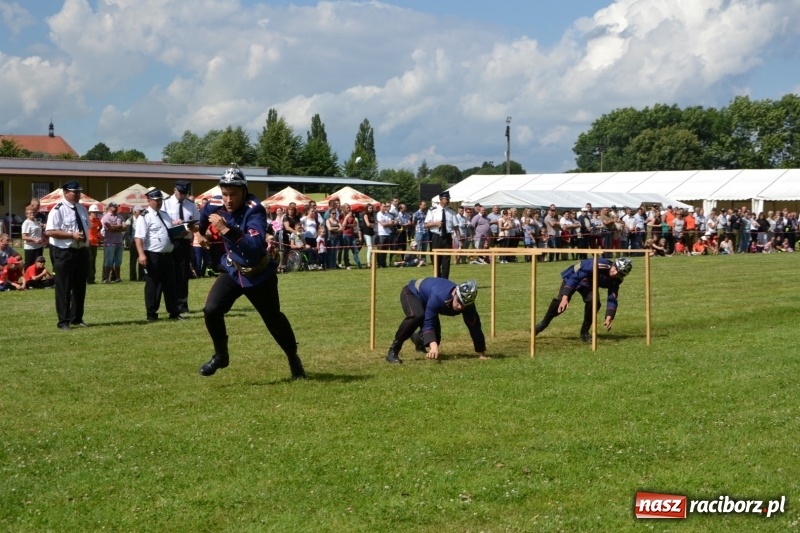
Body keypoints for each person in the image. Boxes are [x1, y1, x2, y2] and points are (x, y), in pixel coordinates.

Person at [197, 168, 305, 379]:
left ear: (244, 192)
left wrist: (226, 229)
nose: (228, 199)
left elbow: (254, 246)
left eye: (233, 194)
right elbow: (203, 218)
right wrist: (200, 234)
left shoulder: (254, 210)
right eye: (225, 193)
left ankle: (293, 358)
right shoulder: (214, 203)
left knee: (273, 318)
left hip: (258, 274)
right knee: (211, 309)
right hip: (232, 269)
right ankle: (221, 356)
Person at [385, 278, 487, 363]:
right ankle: (393, 351)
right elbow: (429, 322)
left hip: (428, 298)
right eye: (459, 302)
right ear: (455, 293)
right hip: (412, 292)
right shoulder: (439, 296)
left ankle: (418, 339)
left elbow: (474, 325)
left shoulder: (468, 304)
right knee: (417, 315)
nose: (460, 306)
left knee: (436, 338)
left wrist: (481, 353)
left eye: (464, 305)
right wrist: (434, 348)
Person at [534, 257, 633, 343]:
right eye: (615, 269)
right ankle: (543, 324)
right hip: (574, 276)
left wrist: (609, 317)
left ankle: (584, 332)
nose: (615, 273)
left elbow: (612, 297)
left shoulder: (617, 280)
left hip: (588, 284)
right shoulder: (599, 264)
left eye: (619, 273)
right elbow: (575, 278)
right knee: (561, 303)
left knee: (594, 302)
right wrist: (565, 297)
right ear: (614, 264)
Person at [44, 180, 91, 330]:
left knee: (80, 286)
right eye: (74, 192)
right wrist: (71, 235)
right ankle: (63, 321)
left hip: (81, 250)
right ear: (65, 192)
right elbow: (50, 231)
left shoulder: (82, 209)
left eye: (79, 192)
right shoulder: (58, 209)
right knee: (64, 287)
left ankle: (77, 318)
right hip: (64, 252)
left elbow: (87, 228)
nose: (77, 194)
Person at [134, 189, 183, 322]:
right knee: (153, 285)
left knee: (170, 285)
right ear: (149, 201)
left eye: (160, 200)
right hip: (153, 254)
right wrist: (141, 254)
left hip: (167, 254)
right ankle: (151, 314)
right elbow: (138, 237)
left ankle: (174, 312)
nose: (158, 202)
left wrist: (180, 229)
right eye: (156, 200)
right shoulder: (144, 216)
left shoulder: (165, 214)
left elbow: (169, 232)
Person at [163, 180, 200, 314]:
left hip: (184, 242)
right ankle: (171, 305)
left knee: (183, 275)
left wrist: (191, 227)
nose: (182, 196)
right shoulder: (165, 203)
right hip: (171, 242)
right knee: (170, 274)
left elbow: (198, 225)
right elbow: (162, 222)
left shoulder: (191, 205)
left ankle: (183, 305)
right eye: (180, 193)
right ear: (175, 190)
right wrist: (174, 223)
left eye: (185, 194)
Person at [424, 191, 459, 279]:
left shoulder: (451, 211)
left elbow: (456, 227)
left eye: (448, 199)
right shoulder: (433, 210)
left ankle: (444, 281)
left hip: (447, 238)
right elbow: (426, 225)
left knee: (446, 261)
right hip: (436, 237)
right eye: (446, 199)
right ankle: (437, 279)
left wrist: (460, 240)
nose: (448, 201)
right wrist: (435, 223)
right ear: (440, 199)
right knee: (436, 260)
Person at [101, 202, 125, 283]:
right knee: (109, 261)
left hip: (119, 242)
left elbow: (125, 228)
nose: (116, 208)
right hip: (109, 242)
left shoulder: (120, 217)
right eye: (114, 207)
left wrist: (115, 227)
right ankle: (106, 278)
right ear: (110, 207)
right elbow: (110, 228)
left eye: (117, 206)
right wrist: (119, 227)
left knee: (118, 261)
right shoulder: (106, 217)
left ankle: (117, 278)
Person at [125, 206, 146, 281]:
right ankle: (133, 278)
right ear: (134, 212)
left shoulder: (143, 219)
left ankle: (142, 277)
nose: (141, 213)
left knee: (142, 260)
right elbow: (127, 233)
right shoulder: (129, 220)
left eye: (141, 211)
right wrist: (131, 242)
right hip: (133, 243)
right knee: (133, 261)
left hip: (141, 243)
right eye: (139, 211)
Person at [86, 203, 103, 284]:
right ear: (90, 212)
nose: (96, 214)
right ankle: (87, 278)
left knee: (93, 261)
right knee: (89, 260)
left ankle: (92, 279)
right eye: (94, 212)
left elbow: (101, 226)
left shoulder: (97, 220)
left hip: (95, 243)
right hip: (88, 242)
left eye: (97, 212)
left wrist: (97, 232)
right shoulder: (87, 219)